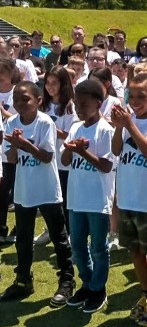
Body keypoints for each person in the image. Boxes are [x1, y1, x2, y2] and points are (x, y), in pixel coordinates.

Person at [0, 81, 75, 305]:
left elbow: (46, 156)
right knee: (23, 239)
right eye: (16, 100)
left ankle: (67, 281)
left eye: (26, 99)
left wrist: (23, 143)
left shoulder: (44, 123)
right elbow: (11, 160)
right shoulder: (12, 122)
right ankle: (23, 281)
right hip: (24, 191)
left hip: (47, 190)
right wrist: (14, 145)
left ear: (38, 101)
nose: (21, 104)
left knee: (59, 238)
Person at [111, 72, 147, 326]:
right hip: (127, 198)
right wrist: (118, 127)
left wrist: (129, 125)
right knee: (134, 250)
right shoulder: (128, 120)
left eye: (141, 96)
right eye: (131, 96)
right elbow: (115, 150)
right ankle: (145, 294)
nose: (134, 101)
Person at [61, 80, 115, 313]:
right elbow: (65, 162)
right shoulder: (75, 127)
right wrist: (70, 149)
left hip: (98, 199)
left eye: (84, 104)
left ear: (98, 104)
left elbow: (105, 165)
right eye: (76, 104)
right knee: (78, 246)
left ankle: (98, 288)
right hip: (76, 197)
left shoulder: (105, 130)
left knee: (98, 248)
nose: (79, 109)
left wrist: (84, 151)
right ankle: (87, 283)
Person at [39, 66, 79, 243]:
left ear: (63, 84)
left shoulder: (70, 107)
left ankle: (68, 232)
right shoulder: (43, 105)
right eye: (47, 83)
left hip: (63, 161)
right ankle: (51, 229)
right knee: (47, 198)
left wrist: (52, 129)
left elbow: (72, 133)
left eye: (54, 83)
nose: (49, 87)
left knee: (64, 198)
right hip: (45, 158)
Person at [0, 56, 18, 244]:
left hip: (12, 149)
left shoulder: (17, 93)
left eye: (2, 74)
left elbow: (20, 116)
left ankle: (18, 227)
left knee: (16, 191)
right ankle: (1, 227)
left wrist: (3, 112)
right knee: (2, 192)